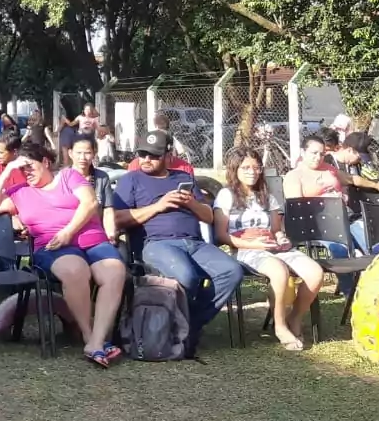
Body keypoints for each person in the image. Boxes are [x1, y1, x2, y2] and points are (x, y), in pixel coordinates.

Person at [0, 140, 127, 365]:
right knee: (74, 270)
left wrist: (68, 232)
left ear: (46, 162)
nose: (26, 172)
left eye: (30, 166)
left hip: (89, 239)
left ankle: (97, 341)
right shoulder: (20, 192)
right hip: (52, 247)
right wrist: (9, 169)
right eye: (22, 169)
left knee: (115, 271)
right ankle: (89, 336)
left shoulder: (68, 177)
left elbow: (89, 204)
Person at [111, 130, 243, 353]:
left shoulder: (183, 178)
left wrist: (191, 203)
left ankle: (189, 325)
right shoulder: (131, 180)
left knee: (231, 272)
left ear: (168, 155)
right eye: (142, 154)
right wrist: (158, 206)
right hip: (155, 244)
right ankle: (182, 329)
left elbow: (208, 217)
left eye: (153, 155)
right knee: (185, 276)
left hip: (195, 243)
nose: (146, 160)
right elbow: (116, 218)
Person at [214, 148, 322, 352]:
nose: (252, 172)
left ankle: (295, 317)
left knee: (315, 273)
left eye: (256, 167)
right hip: (246, 250)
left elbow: (276, 230)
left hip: (273, 247)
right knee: (279, 272)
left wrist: (281, 239)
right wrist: (253, 244)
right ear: (234, 169)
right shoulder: (226, 195)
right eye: (246, 167)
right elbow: (221, 235)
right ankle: (280, 326)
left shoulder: (267, 196)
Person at [284, 132, 369, 294]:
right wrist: (324, 201)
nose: (318, 157)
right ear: (303, 153)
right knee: (340, 250)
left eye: (321, 154)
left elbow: (352, 179)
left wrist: (375, 185)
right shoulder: (294, 176)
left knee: (375, 246)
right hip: (319, 224)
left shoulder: (329, 169)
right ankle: (349, 293)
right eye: (313, 153)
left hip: (345, 218)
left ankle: (377, 289)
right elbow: (297, 208)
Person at [127, 114, 196, 176]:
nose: (147, 159)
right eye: (142, 154)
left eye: (155, 155)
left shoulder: (184, 169)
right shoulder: (136, 165)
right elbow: (182, 151)